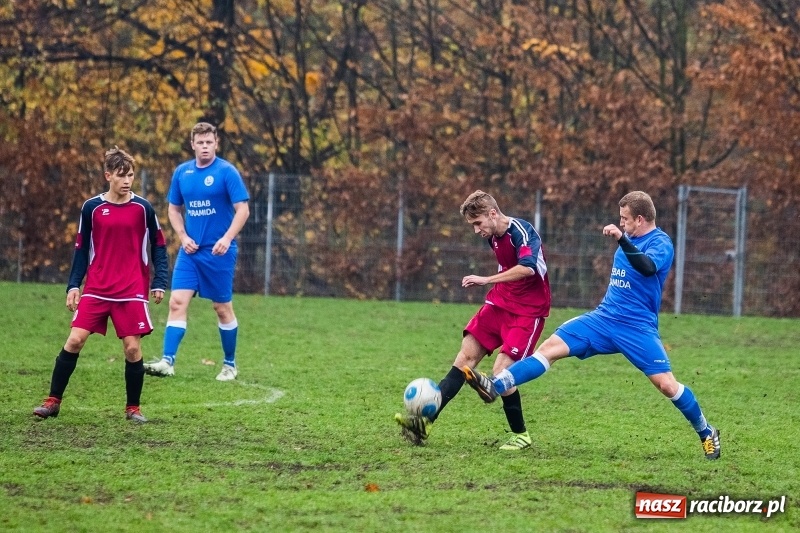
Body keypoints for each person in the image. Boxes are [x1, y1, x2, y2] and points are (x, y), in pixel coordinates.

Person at [463, 191, 721, 459]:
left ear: (640, 219)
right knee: (551, 347)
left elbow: (646, 267)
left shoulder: (660, 242)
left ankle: (706, 431)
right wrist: (624, 239)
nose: (621, 224)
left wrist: (622, 240)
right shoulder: (629, 238)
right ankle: (497, 384)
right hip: (603, 319)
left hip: (637, 328)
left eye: (625, 219)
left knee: (667, 385)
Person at [395, 190, 551, 450]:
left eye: (478, 223)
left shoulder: (521, 232)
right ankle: (424, 422)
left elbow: (528, 268)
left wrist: (486, 279)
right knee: (464, 359)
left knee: (501, 372)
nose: (476, 230)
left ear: (493, 214)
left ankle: (521, 434)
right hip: (499, 304)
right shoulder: (492, 237)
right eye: (472, 225)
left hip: (528, 312)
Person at [33, 147, 168, 423]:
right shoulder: (92, 208)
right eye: (121, 175)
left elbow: (159, 245)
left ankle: (133, 409)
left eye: (130, 175)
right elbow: (81, 249)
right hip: (97, 288)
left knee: (132, 348)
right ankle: (53, 401)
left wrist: (160, 281)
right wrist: (74, 285)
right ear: (108, 176)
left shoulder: (143, 208)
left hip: (132, 290)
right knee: (74, 340)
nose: (127, 180)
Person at [144, 122, 250, 381]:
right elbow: (173, 210)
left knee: (221, 308)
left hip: (219, 252)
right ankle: (167, 361)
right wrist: (183, 236)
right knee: (177, 302)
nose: (205, 147)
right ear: (192, 144)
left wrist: (227, 238)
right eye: (200, 142)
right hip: (190, 252)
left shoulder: (227, 172)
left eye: (209, 142)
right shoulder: (182, 173)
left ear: (216, 144)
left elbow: (243, 210)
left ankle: (229, 365)